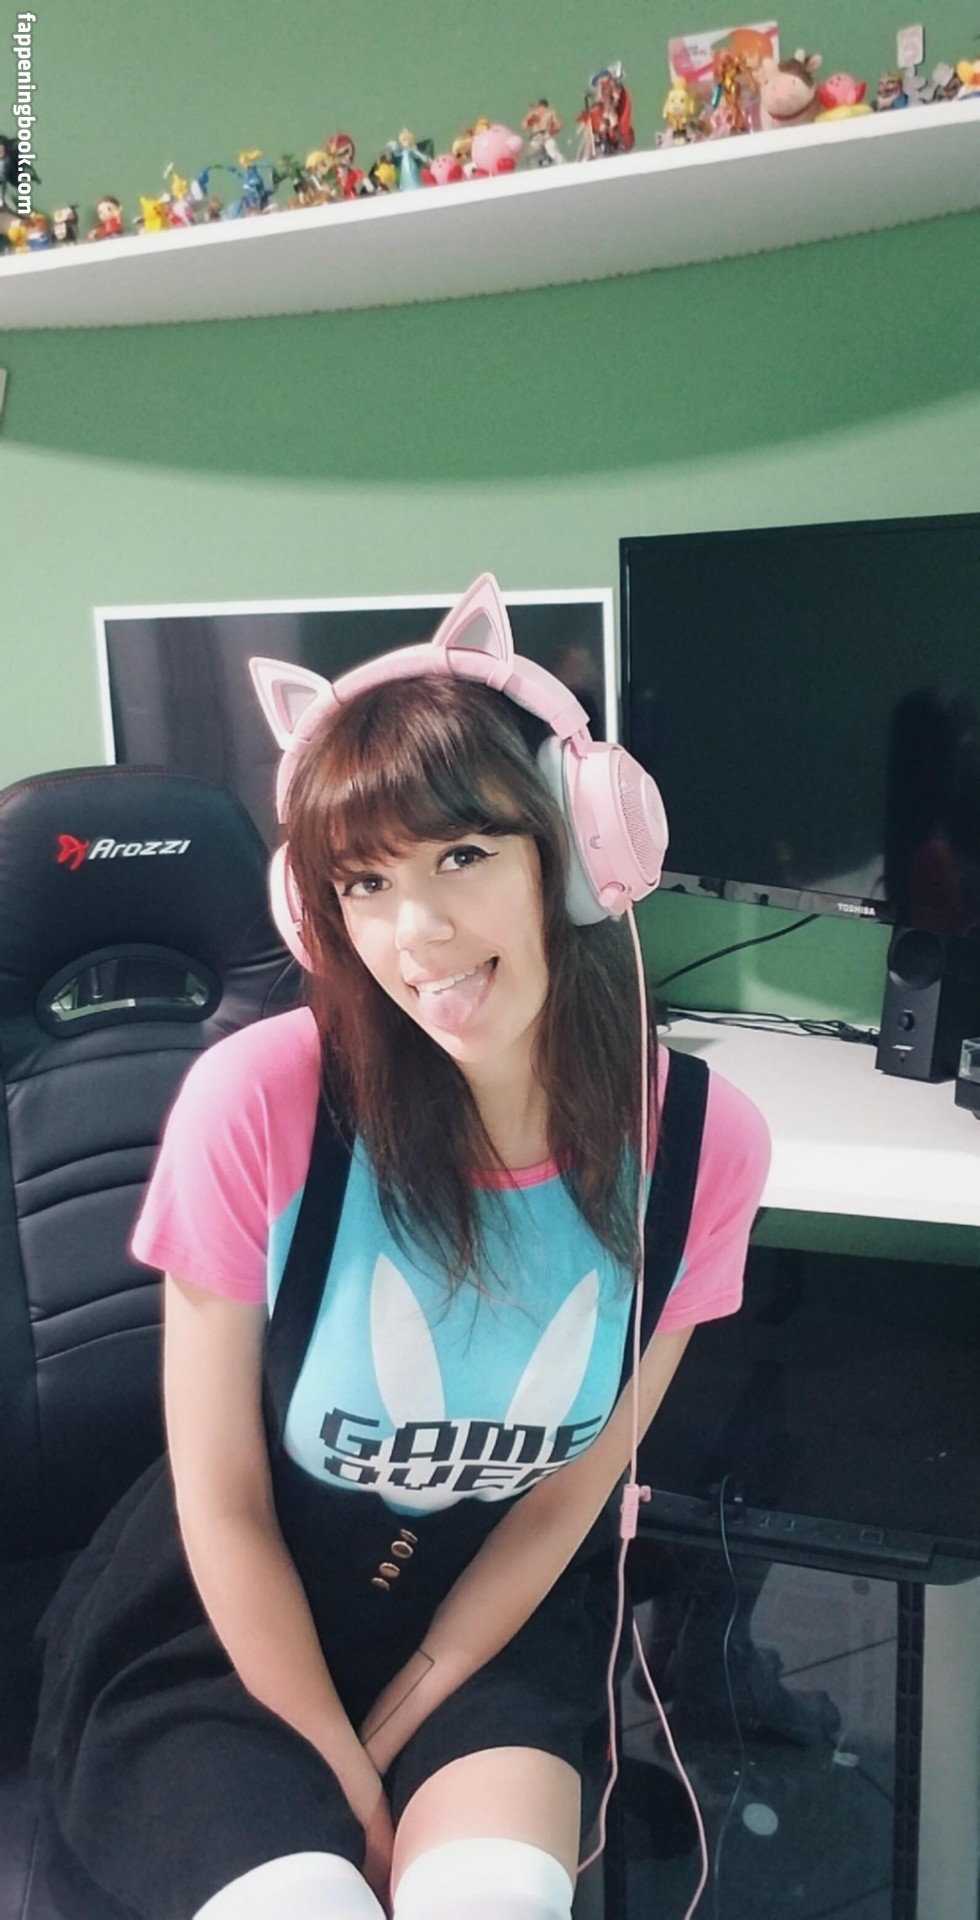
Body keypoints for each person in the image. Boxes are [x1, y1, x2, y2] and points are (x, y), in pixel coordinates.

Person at [32, 575, 769, 1920]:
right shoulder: (261, 1103)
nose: (415, 935)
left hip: (484, 1623)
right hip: (224, 1637)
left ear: (577, 853)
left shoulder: (702, 1146)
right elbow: (222, 1504)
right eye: (364, 883)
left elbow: (565, 1499)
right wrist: (346, 1783)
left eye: (463, 856)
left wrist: (418, 1704)